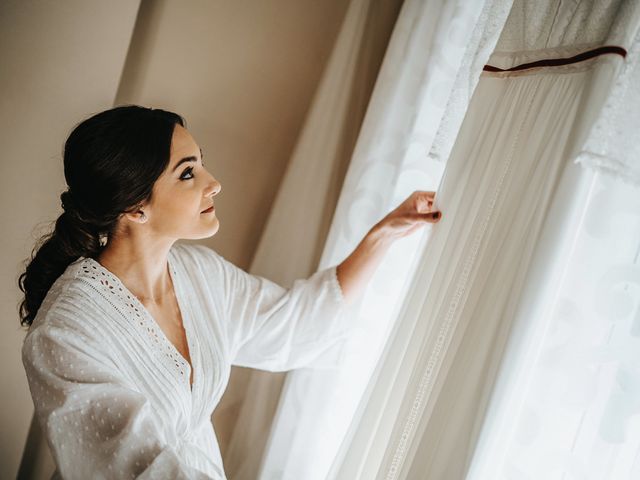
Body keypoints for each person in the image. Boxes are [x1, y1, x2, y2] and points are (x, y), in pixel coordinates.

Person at [17, 105, 442, 479]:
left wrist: (381, 236)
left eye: (202, 164)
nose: (214, 182)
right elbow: (129, 466)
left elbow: (296, 323)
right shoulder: (67, 332)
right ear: (134, 206)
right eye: (188, 173)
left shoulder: (199, 275)